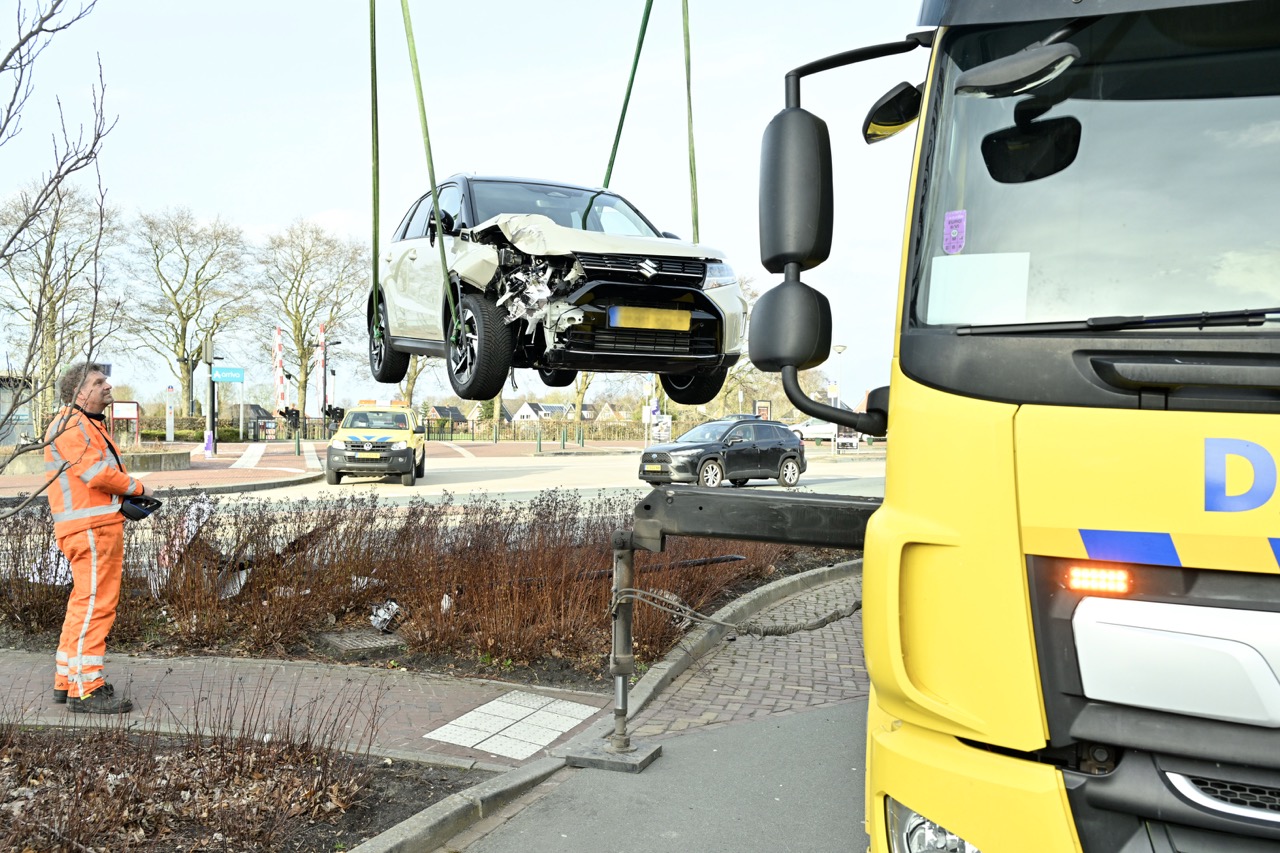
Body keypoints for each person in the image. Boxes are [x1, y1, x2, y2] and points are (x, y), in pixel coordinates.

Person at [44, 362, 150, 714]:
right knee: (96, 607)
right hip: (92, 529)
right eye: (99, 381)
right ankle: (87, 689)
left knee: (83, 605)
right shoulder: (73, 424)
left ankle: (67, 681)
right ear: (79, 392)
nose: (107, 385)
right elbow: (96, 474)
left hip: (90, 527)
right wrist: (138, 488)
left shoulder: (81, 423)